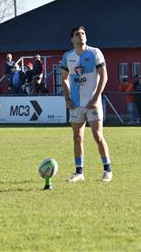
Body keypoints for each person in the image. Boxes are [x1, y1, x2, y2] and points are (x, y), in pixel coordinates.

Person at [61, 26, 112, 183]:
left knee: (98, 136)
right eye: (77, 34)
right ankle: (79, 173)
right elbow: (64, 78)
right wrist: (68, 99)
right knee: (77, 138)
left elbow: (104, 76)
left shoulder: (95, 53)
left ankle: (107, 170)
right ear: (72, 39)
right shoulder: (67, 56)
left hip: (93, 103)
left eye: (83, 34)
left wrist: (96, 97)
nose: (81, 36)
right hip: (76, 105)